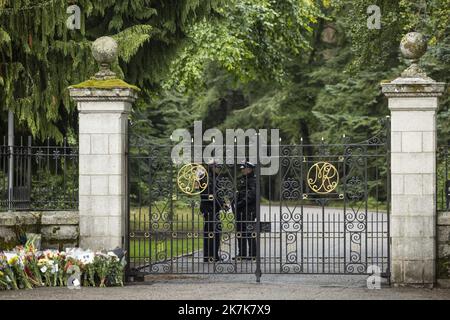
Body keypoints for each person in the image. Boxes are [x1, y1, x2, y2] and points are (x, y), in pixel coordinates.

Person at [199, 160, 224, 262]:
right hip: (209, 209)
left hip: (214, 208)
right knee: (211, 233)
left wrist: (222, 203)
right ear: (212, 167)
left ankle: (213, 255)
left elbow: (217, 194)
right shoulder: (206, 178)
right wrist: (220, 203)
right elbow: (208, 195)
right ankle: (209, 256)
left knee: (215, 232)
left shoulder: (214, 177)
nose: (218, 169)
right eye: (217, 167)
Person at [233, 160, 257, 260]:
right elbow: (237, 192)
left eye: (244, 169)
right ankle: (242, 254)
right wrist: (233, 203)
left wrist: (240, 203)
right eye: (242, 169)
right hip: (240, 210)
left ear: (250, 169)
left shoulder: (253, 181)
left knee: (249, 232)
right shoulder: (241, 179)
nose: (242, 171)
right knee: (240, 232)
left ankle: (253, 254)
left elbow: (251, 195)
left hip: (249, 210)